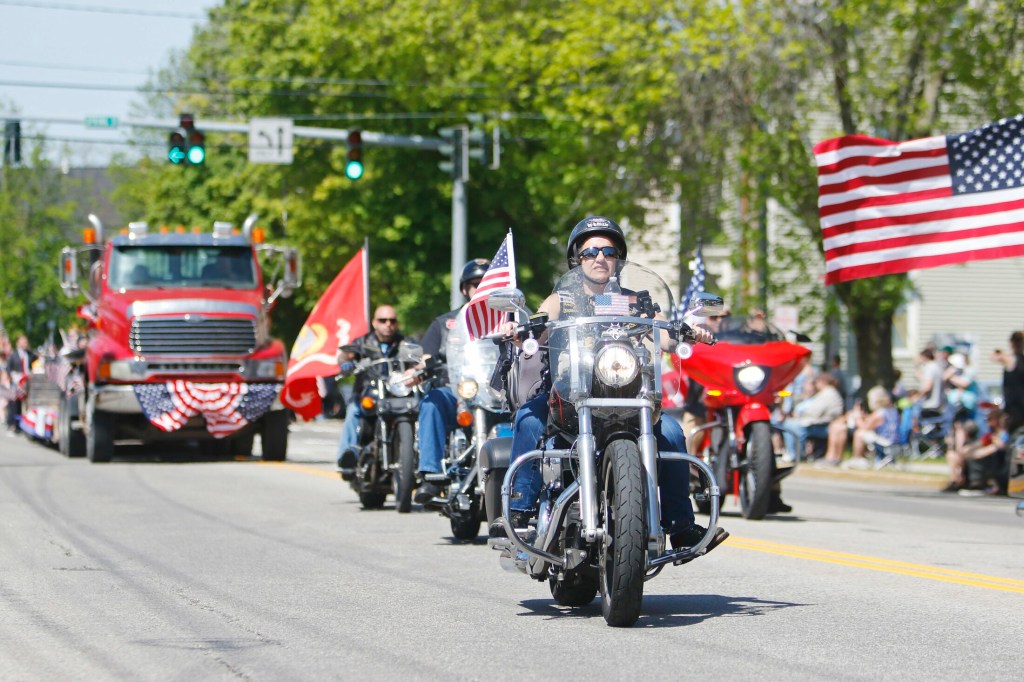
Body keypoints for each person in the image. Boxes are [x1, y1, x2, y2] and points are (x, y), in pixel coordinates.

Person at [490, 216, 728, 553]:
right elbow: (539, 326)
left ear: (619, 258)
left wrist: (688, 331)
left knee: (672, 433)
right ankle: (519, 513)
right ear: (577, 259)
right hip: (570, 395)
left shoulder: (637, 301)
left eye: (609, 251)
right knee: (529, 417)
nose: (600, 257)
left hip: (630, 393)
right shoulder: (563, 299)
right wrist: (521, 330)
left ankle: (681, 525)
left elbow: (664, 338)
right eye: (591, 252)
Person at [412, 258, 489, 504]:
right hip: (456, 391)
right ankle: (431, 474)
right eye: (474, 284)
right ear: (465, 289)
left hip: (498, 391)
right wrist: (422, 367)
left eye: (485, 283)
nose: (480, 288)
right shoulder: (444, 323)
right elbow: (425, 357)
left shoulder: (510, 320)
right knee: (431, 402)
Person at [335, 305, 405, 478]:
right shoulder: (363, 342)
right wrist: (346, 362)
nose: (388, 324)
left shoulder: (404, 344)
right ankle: (348, 457)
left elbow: (419, 357)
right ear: (374, 323)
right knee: (353, 411)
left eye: (392, 320)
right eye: (383, 320)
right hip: (369, 394)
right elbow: (346, 354)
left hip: (396, 395)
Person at [827, 385, 900, 468]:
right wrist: (863, 416)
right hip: (894, 442)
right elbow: (873, 422)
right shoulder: (891, 410)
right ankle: (834, 458)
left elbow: (865, 427)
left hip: (887, 442)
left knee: (859, 433)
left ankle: (857, 458)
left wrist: (857, 416)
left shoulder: (880, 413)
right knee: (840, 428)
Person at [778, 372, 844, 462]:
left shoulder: (827, 393)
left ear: (822, 382)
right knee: (789, 424)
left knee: (790, 425)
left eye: (816, 383)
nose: (815, 385)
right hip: (820, 423)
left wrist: (799, 415)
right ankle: (793, 453)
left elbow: (815, 412)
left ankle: (795, 454)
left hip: (822, 425)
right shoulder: (827, 392)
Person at [992, 332, 1024, 435]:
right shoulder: (1011, 359)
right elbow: (995, 356)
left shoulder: (1013, 359)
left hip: (1016, 408)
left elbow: (996, 356)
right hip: (1013, 407)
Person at [5, 334, 35, 434]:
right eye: (23, 341)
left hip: (27, 383)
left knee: (24, 404)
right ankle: (11, 424)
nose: (25, 343)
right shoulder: (13, 355)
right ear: (17, 342)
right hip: (16, 383)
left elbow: (35, 363)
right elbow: (8, 369)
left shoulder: (29, 354)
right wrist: (14, 378)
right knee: (13, 404)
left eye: (26, 341)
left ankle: (20, 425)